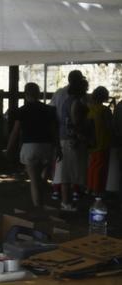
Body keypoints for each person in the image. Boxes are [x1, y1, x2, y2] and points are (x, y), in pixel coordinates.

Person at [7, 82, 59, 208]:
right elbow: (53, 131)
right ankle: (42, 201)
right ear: (38, 94)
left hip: (29, 147)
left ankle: (38, 206)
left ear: (26, 94)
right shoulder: (49, 110)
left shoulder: (22, 110)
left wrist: (9, 148)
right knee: (41, 178)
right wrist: (58, 147)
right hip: (47, 147)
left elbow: (15, 131)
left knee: (34, 181)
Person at [50, 70, 85, 201]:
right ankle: (73, 193)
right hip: (70, 136)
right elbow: (75, 122)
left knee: (62, 166)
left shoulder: (59, 94)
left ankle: (56, 191)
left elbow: (52, 112)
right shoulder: (78, 100)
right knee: (71, 167)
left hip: (61, 133)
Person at [57, 76, 91, 211]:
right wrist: (81, 137)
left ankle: (67, 202)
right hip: (71, 141)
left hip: (65, 139)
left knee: (66, 173)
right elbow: (75, 123)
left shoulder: (67, 101)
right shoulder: (76, 103)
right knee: (67, 174)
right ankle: (66, 203)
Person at [86, 86, 113, 197]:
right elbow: (109, 126)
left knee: (92, 166)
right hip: (102, 142)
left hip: (92, 142)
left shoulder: (89, 109)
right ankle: (97, 190)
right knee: (100, 168)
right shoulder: (104, 110)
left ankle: (90, 188)